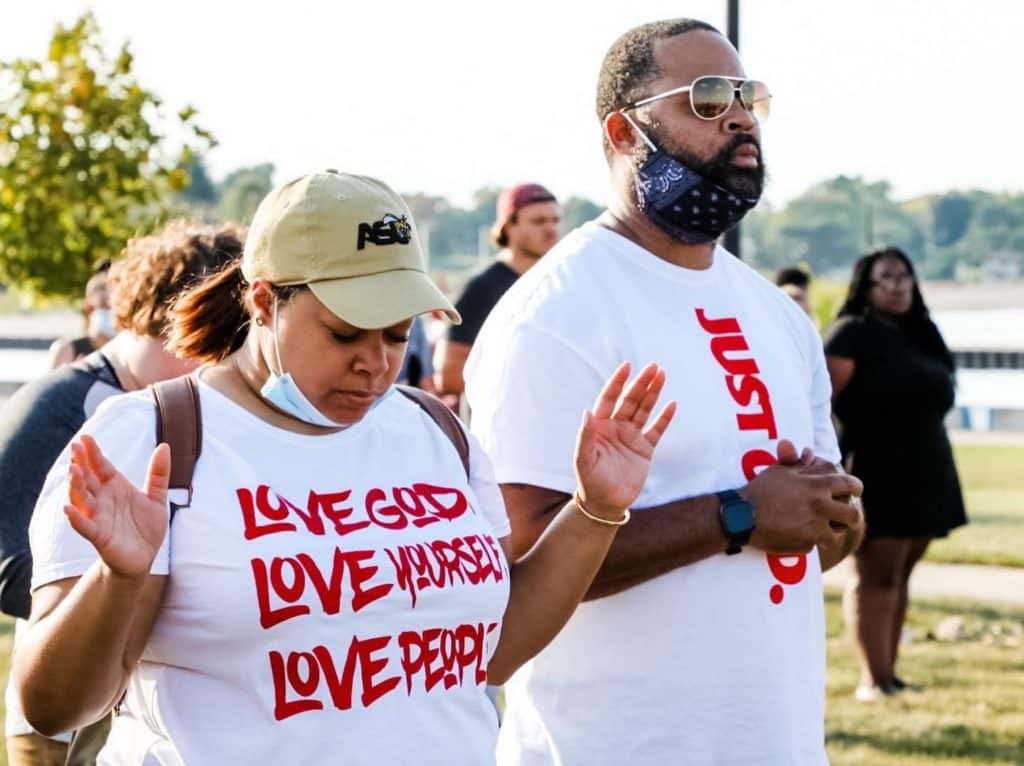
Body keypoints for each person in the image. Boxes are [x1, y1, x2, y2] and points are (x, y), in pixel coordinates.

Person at [13, 171, 676, 765]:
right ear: (264, 303)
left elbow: (489, 654)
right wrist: (117, 577)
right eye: (345, 333)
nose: (377, 364)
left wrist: (594, 509)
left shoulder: (438, 433)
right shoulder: (150, 439)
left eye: (397, 334)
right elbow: (54, 708)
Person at [465, 18, 865, 765]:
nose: (741, 115)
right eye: (708, 98)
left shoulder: (778, 315)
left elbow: (818, 525)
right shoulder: (556, 312)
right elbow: (519, 565)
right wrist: (738, 515)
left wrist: (835, 517)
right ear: (623, 132)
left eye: (749, 95)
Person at [0, 220, 241, 766]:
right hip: (62, 726)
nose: (215, 366)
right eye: (205, 344)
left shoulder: (179, 411)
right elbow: (5, 558)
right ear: (164, 320)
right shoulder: (66, 402)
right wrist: (147, 598)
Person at [824, 247, 967, 701]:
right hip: (875, 467)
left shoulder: (923, 331)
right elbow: (823, 405)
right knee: (876, 574)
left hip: (928, 466)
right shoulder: (851, 334)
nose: (898, 285)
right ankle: (872, 679)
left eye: (905, 276)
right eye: (886, 278)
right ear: (866, 285)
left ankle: (891, 676)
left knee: (903, 573)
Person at [434, 184, 559, 402]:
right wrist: (534, 380)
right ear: (508, 226)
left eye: (555, 220)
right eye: (538, 221)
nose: (550, 230)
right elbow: (449, 375)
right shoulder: (482, 288)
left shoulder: (556, 283)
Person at [48, 267, 115, 369]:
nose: (110, 311)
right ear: (88, 308)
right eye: (104, 305)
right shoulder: (67, 350)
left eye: (114, 306)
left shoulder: (128, 353)